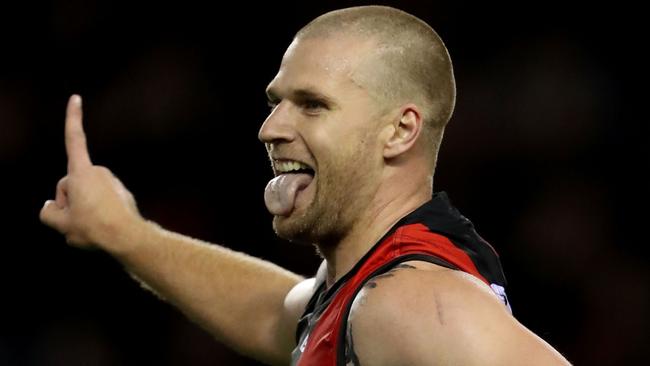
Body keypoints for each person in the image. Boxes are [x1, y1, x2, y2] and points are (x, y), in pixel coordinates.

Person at [40, 5, 571, 366]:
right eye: (277, 102)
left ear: (400, 130)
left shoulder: (408, 299)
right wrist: (126, 234)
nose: (270, 129)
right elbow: (275, 312)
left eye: (313, 105)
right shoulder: (364, 285)